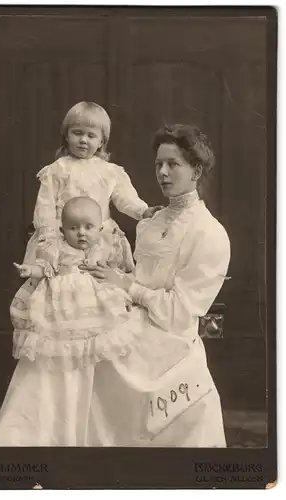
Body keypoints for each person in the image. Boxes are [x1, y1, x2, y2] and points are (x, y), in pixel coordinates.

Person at [80, 124, 231, 447]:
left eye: (173, 164)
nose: (162, 172)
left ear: (197, 170)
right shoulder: (153, 220)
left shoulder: (210, 234)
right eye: (158, 164)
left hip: (167, 341)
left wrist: (127, 286)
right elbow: (138, 277)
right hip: (132, 320)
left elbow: (179, 314)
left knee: (96, 356)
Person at [0, 197, 141, 446]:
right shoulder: (56, 248)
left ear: (99, 228)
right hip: (61, 312)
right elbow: (45, 268)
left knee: (99, 359)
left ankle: (98, 423)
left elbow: (119, 271)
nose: (81, 233)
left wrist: (117, 282)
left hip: (95, 312)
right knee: (57, 362)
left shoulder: (106, 246)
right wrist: (31, 271)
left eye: (88, 227)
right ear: (62, 230)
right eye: (73, 228)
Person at [23, 101, 159, 274]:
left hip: (98, 236)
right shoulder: (57, 170)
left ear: (102, 140)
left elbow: (125, 198)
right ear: (66, 135)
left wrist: (143, 211)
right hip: (65, 236)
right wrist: (49, 233)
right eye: (77, 133)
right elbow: (45, 205)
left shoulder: (109, 171)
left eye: (91, 136)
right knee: (63, 283)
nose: (83, 140)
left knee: (99, 283)